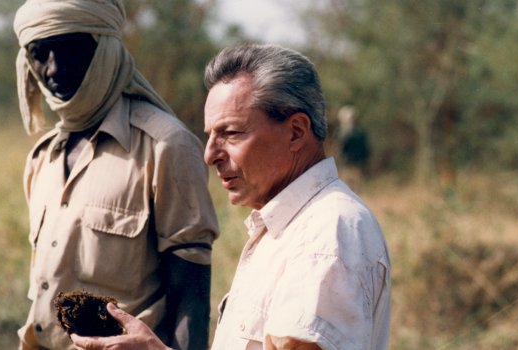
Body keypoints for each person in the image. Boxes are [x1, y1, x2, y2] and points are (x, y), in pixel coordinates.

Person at [71, 44, 391, 350]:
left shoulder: (327, 233)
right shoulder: (287, 227)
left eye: (232, 133)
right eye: (210, 134)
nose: (210, 154)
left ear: (296, 131)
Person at [12, 1, 219, 349]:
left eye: (71, 50)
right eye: (40, 53)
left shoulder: (165, 145)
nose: (53, 70)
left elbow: (190, 295)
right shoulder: (43, 156)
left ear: (105, 50)